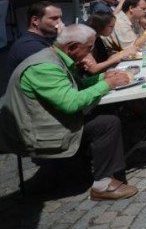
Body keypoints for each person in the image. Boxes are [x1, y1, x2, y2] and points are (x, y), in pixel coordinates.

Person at [0, 24, 138, 201]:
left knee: (106, 111)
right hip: (33, 133)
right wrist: (108, 84)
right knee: (107, 123)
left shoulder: (56, 57)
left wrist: (103, 78)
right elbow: (72, 103)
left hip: (44, 122)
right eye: (89, 47)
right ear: (72, 47)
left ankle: (87, 166)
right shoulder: (45, 67)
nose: (91, 51)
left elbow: (75, 88)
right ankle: (102, 186)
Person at [1, 2, 64, 96]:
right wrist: (63, 39)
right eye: (54, 18)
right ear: (35, 20)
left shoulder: (42, 40)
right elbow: (59, 66)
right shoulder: (29, 46)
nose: (60, 23)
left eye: (60, 18)